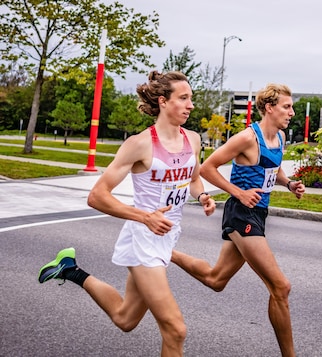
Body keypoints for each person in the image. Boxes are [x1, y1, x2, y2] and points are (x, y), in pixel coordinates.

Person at [37, 71, 216, 357]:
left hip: (166, 237)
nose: (190, 105)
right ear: (163, 102)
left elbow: (193, 180)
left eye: (190, 98)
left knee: (125, 318)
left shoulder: (192, 140)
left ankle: (69, 269)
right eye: (183, 98)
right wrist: (145, 217)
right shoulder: (140, 144)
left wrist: (203, 195)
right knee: (175, 329)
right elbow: (97, 196)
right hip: (143, 237)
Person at [171, 83, 305, 357]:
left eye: (291, 107)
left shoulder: (279, 137)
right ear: (269, 108)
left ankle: (164, 251)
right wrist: (239, 193)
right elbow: (206, 168)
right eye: (287, 107)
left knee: (216, 279)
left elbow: (273, 170)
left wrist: (289, 184)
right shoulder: (247, 138)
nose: (292, 112)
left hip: (258, 213)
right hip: (241, 213)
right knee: (281, 287)